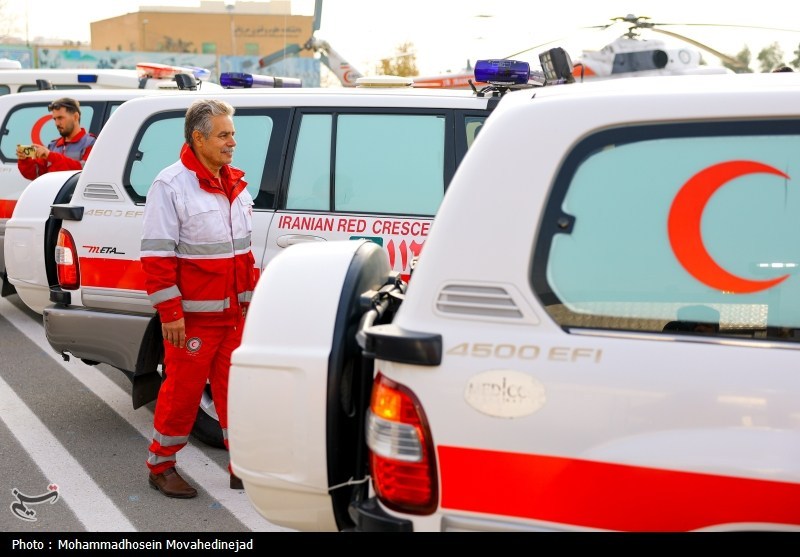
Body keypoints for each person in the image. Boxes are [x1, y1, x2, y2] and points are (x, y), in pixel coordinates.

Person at [140, 98, 256, 498]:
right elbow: (157, 255)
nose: (232, 143)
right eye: (224, 135)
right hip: (192, 321)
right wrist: (170, 312)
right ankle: (161, 466)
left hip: (233, 317)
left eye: (232, 134)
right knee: (182, 396)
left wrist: (249, 305)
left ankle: (242, 467)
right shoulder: (170, 185)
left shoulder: (234, 182)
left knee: (237, 395)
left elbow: (243, 253)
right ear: (199, 138)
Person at [16, 97, 96, 180]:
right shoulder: (53, 145)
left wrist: (51, 156)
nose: (57, 123)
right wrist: (25, 160)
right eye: (55, 119)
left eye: (60, 118)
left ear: (75, 117)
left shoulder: (90, 143)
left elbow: (85, 171)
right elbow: (36, 174)